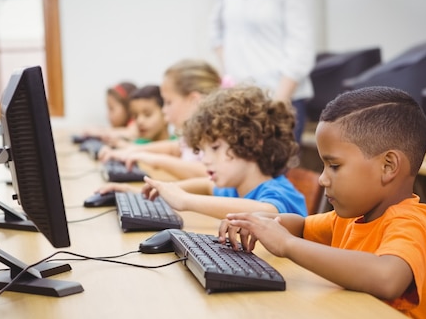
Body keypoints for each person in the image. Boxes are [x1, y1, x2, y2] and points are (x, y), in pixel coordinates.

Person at [219, 86, 426, 319]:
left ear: (388, 166)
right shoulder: (352, 217)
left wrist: (287, 245)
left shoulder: (413, 221)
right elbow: (303, 227)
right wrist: (262, 222)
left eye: (334, 166)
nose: (323, 179)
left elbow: (387, 278)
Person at [97, 86, 308, 219]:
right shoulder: (235, 188)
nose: (205, 159)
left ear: (254, 142)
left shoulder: (279, 193)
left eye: (215, 148)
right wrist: (149, 193)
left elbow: (268, 212)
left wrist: (186, 201)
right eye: (203, 150)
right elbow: (208, 186)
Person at [209, 0, 315, 143]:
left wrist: (276, 106)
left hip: (281, 99)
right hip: (239, 101)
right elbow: (215, 33)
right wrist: (231, 79)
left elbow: (301, 49)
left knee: (274, 168)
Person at [98, 59, 221, 179]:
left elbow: (207, 173)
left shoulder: (217, 135)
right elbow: (174, 148)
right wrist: (133, 151)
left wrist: (153, 159)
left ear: (194, 101)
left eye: (168, 102)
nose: (164, 110)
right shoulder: (194, 135)